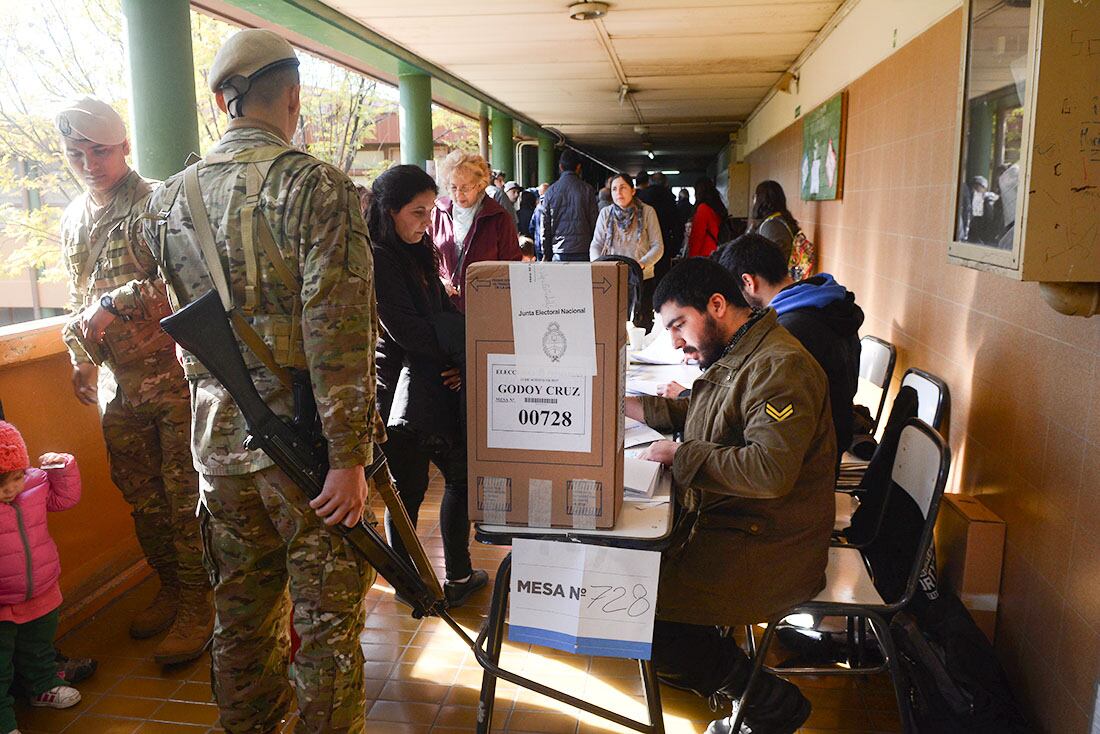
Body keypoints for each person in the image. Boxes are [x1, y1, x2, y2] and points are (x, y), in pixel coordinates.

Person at [140, 29, 383, 733]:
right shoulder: (317, 186)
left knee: (242, 623)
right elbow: (338, 335)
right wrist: (348, 459)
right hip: (303, 454)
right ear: (294, 98)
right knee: (327, 634)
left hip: (217, 448)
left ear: (223, 102)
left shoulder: (166, 201)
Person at [623, 258, 834, 734]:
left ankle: (767, 701)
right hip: (741, 527)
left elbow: (769, 469)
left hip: (770, 546)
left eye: (679, 325)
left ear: (716, 305)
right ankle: (735, 676)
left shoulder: (780, 366)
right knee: (635, 584)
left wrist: (681, 456)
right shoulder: (744, 351)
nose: (676, 341)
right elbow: (709, 412)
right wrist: (635, 406)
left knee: (636, 615)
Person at [54, 97, 211, 665]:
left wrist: (112, 303)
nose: (89, 162)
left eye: (99, 150)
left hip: (172, 380)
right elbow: (76, 298)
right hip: (118, 387)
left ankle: (200, 603)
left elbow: (187, 282)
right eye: (76, 153)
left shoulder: (157, 204)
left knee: (183, 496)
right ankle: (170, 586)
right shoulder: (73, 218)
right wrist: (79, 356)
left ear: (124, 148)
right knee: (142, 498)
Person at [369, 165, 489, 610]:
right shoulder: (377, 257)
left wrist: (459, 359)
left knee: (460, 477)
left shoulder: (420, 252)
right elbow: (408, 332)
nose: (426, 221)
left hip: (436, 383)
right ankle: (409, 582)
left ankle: (458, 574)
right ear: (389, 212)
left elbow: (445, 317)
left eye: (429, 211)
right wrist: (451, 347)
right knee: (407, 491)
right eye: (417, 212)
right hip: (399, 394)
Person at [716, 234, 864, 469]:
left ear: (749, 282)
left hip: (809, 464)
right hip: (832, 440)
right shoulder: (828, 303)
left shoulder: (788, 331)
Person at [0, 422, 83, 734]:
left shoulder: (33, 485)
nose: (11, 489)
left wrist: (62, 468)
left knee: (39, 646)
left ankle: (43, 685)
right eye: (1, 484)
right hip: (2, 601)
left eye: (16, 477)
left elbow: (65, 499)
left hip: (42, 590)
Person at [431, 150, 521, 312]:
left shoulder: (499, 217)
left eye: (465, 188)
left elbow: (511, 267)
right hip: (445, 306)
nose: (458, 194)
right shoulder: (438, 211)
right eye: (453, 187)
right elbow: (428, 257)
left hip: (485, 308)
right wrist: (439, 281)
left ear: (480, 185)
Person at [589, 173, 664, 329]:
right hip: (612, 278)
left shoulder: (648, 212)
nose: (618, 193)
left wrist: (643, 263)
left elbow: (658, 246)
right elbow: (596, 243)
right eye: (614, 189)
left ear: (633, 190)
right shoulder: (605, 213)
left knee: (641, 324)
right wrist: (597, 264)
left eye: (623, 188)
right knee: (612, 325)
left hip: (642, 277)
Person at [539, 148, 598, 262]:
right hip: (583, 250)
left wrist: (546, 253)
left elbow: (545, 227)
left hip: (559, 251)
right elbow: (594, 223)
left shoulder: (550, 192)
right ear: (578, 167)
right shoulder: (588, 190)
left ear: (560, 167)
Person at [636, 171, 682, 282]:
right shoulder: (670, 199)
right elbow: (676, 225)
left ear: (649, 183)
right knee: (662, 279)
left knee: (644, 280)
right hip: (664, 242)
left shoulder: (641, 198)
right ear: (666, 184)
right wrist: (675, 247)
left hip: (644, 243)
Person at [749, 180, 800, 262]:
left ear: (760, 199)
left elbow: (771, 260)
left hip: (772, 274)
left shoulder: (771, 226)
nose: (754, 200)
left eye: (755, 196)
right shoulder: (777, 220)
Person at [686, 176, 729, 258]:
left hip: (704, 256)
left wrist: (691, 259)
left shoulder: (703, 209)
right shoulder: (716, 208)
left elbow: (697, 237)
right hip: (715, 253)